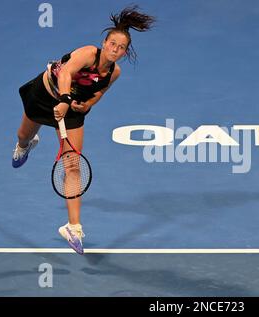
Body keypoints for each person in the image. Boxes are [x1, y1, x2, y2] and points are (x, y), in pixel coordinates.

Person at [12, 6, 155, 254]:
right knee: (23, 135)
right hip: (44, 96)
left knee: (73, 164)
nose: (115, 50)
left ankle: (73, 226)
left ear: (124, 51)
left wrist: (85, 104)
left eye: (121, 48)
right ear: (105, 42)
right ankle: (26, 145)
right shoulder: (89, 53)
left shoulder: (114, 72)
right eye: (112, 44)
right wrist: (65, 99)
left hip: (71, 111)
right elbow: (66, 72)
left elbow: (99, 92)